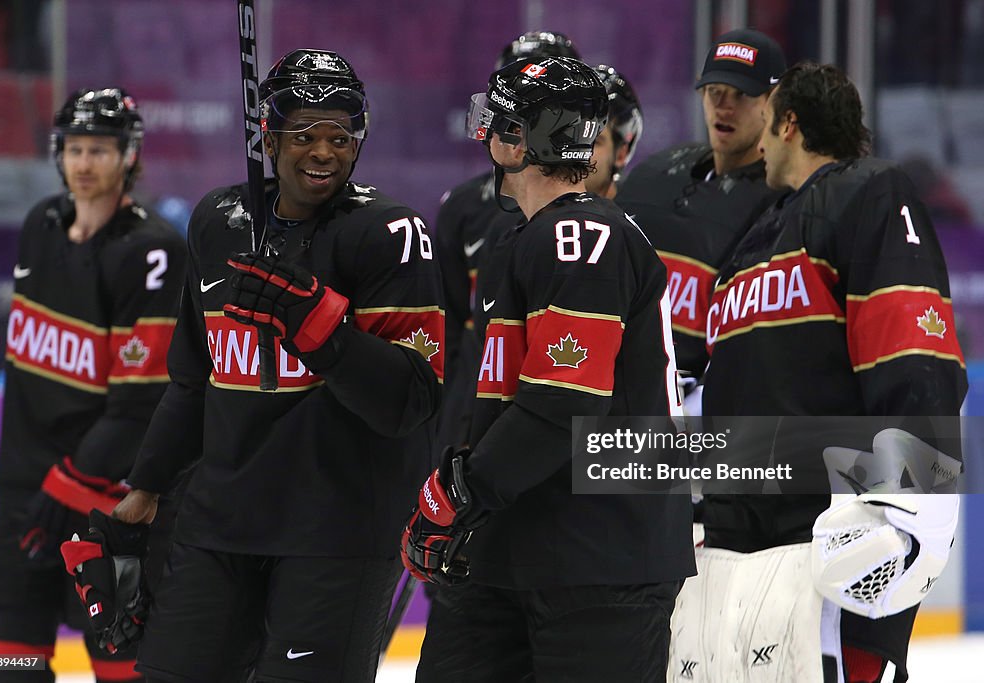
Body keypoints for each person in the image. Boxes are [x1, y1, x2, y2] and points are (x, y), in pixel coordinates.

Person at [104, 49, 443, 683]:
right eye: (304, 135)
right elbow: (193, 380)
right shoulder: (217, 221)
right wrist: (142, 493)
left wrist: (319, 328)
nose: (324, 153)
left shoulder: (392, 234)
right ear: (267, 136)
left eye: (340, 137)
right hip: (222, 520)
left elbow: (412, 400)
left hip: (336, 531)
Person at [401, 56, 695, 681]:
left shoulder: (583, 236)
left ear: (522, 140)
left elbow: (564, 402)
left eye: (498, 122)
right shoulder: (530, 237)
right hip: (521, 547)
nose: (487, 135)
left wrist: (460, 494)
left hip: (600, 557)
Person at [685, 62, 967, 682]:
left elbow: (914, 356)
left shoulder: (870, 191)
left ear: (789, 122)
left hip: (833, 549)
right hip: (738, 554)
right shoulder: (748, 242)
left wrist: (909, 506)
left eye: (767, 117)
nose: (754, 136)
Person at [0, 87, 187, 683]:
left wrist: (66, 485)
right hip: (25, 500)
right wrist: (32, 491)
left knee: (122, 671)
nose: (84, 163)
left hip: (108, 509)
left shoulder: (153, 251)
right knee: (8, 668)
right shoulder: (39, 225)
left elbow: (140, 405)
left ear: (129, 155)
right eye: (74, 148)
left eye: (100, 149)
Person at [616, 28, 787, 402]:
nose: (724, 107)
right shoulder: (653, 175)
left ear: (773, 100)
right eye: (714, 93)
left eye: (741, 95)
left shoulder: (786, 200)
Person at [434, 31, 581, 455]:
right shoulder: (463, 207)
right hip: (476, 398)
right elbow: (449, 330)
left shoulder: (603, 224)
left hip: (558, 411)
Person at [584, 63, 644, 199]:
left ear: (621, 155)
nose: (578, 151)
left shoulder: (643, 217)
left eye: (594, 141)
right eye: (572, 136)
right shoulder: (535, 215)